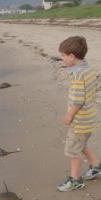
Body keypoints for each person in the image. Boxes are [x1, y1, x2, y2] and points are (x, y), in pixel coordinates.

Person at [57, 36, 101, 192]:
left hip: (80, 119)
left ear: (71, 56)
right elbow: (95, 88)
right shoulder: (89, 69)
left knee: (73, 150)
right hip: (90, 117)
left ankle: (75, 180)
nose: (62, 58)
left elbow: (77, 100)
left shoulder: (77, 75)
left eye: (62, 55)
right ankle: (96, 166)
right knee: (81, 144)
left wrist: (69, 115)